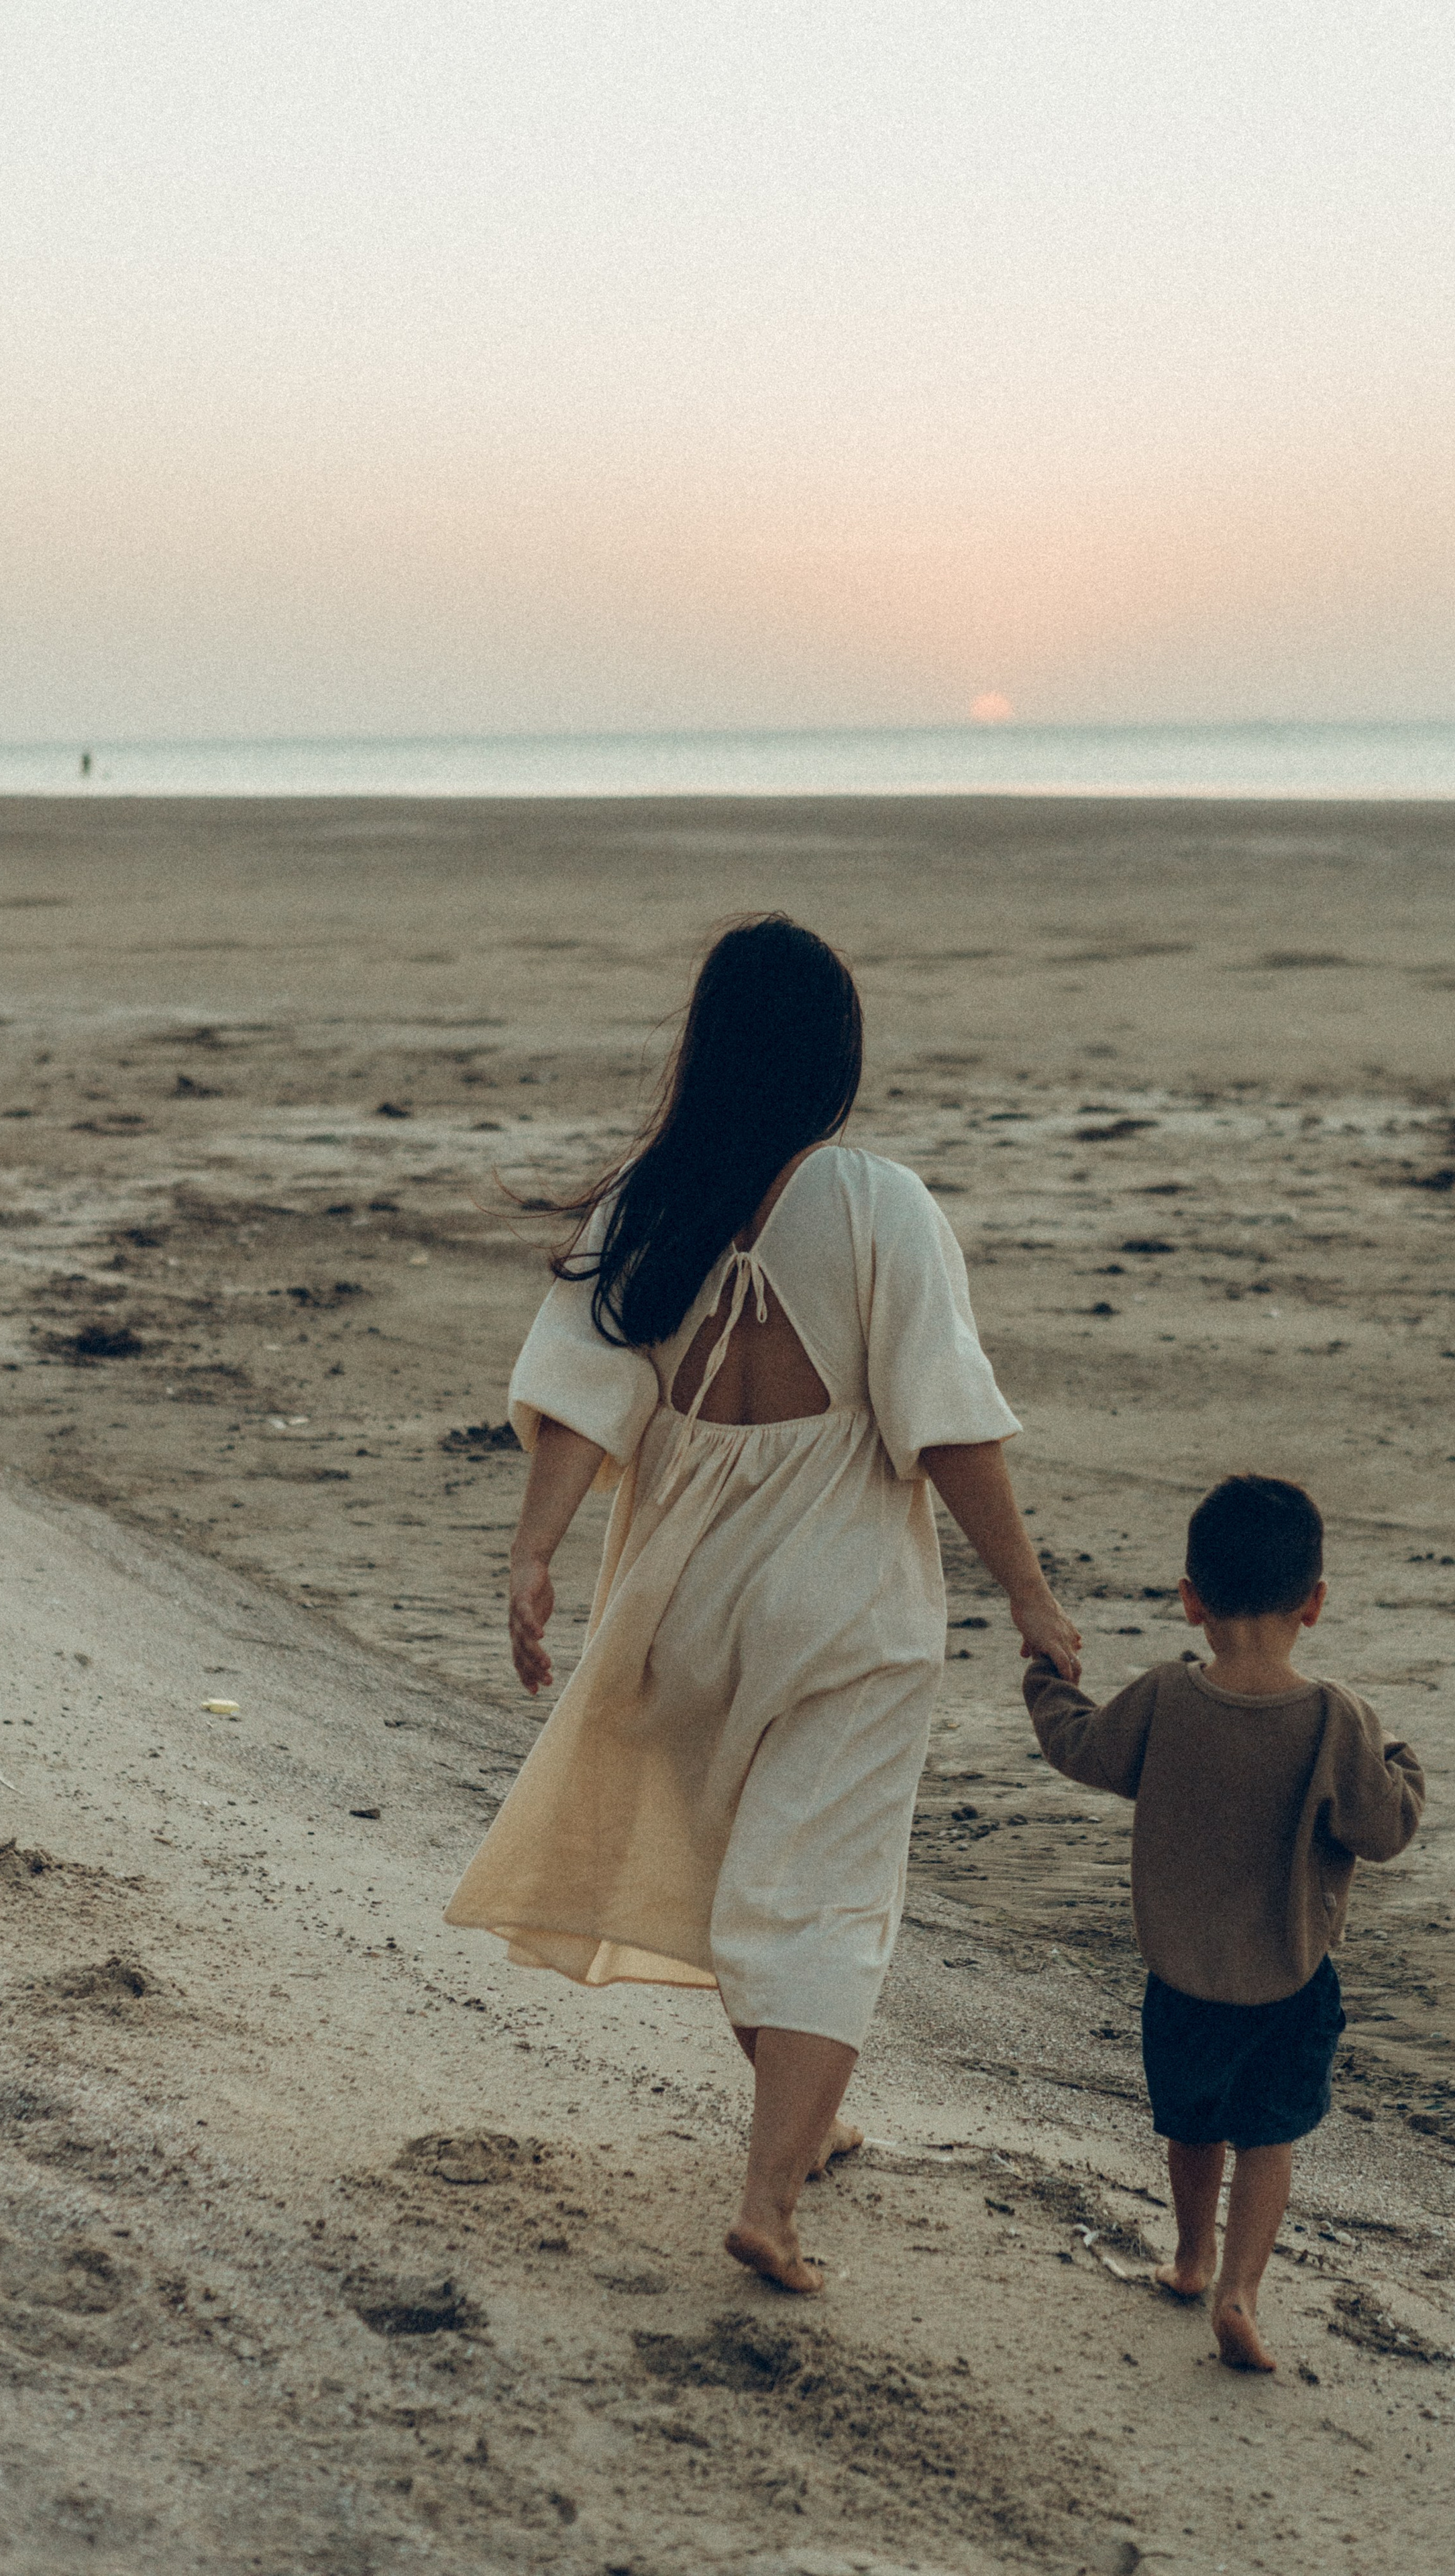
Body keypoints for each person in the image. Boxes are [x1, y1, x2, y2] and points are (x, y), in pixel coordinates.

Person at [445, 915, 1081, 2292]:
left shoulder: (647, 1206)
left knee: (749, 1885)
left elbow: (578, 1401)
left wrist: (531, 1556)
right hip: (840, 1599)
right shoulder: (875, 1203)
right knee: (824, 1896)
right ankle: (764, 2194)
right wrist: (1026, 1593)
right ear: (831, 1057)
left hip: (674, 1597)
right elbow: (945, 1425)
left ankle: (813, 2120)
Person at [1022, 1474, 1423, 2370]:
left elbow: (1083, 1749)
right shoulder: (1336, 1720)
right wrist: (1403, 1760)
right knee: (1268, 2137)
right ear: (1314, 1604)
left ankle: (1191, 2255)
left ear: (1191, 1600)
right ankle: (1241, 2290)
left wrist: (1045, 1680)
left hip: (1182, 1976)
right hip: (1291, 1978)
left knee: (1192, 2123)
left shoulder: (1168, 1697)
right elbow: (1385, 1827)